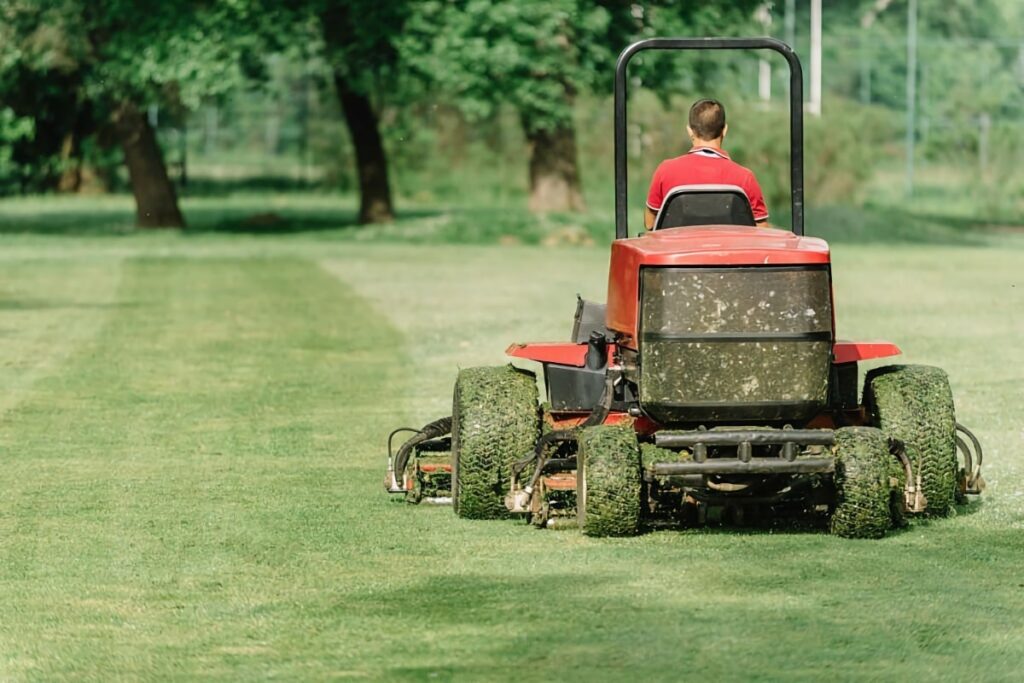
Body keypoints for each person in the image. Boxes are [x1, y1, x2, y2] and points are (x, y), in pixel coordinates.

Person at [644, 98, 769, 229]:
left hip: (680, 249)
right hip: (728, 249)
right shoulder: (745, 177)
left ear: (690, 131)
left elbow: (650, 223)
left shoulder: (666, 170)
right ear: (725, 130)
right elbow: (761, 229)